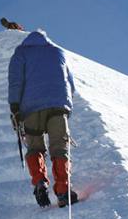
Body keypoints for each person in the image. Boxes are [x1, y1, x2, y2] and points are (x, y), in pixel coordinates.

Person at [8, 30, 78, 208]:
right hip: (57, 105)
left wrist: (15, 108)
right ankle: (63, 190)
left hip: (30, 109)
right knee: (60, 146)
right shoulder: (57, 52)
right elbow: (70, 82)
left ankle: (40, 182)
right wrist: (66, 103)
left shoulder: (21, 53)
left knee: (35, 147)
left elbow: (16, 81)